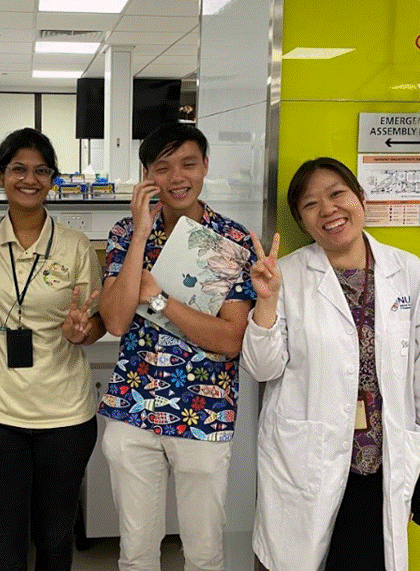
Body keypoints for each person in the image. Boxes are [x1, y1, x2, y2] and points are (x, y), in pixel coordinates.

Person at [242, 157, 420, 571]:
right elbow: (262, 369)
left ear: (361, 198)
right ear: (302, 221)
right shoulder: (287, 276)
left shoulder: (409, 273)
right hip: (307, 460)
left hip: (381, 460)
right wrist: (266, 301)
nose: (329, 210)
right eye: (311, 204)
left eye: (337, 194)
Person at [98, 122, 257, 571]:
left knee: (204, 554)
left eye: (189, 163)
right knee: (136, 553)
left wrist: (160, 300)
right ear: (146, 174)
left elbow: (230, 340)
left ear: (206, 165)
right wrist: (141, 235)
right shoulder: (125, 232)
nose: (177, 176)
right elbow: (113, 318)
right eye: (162, 167)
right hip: (133, 408)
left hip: (205, 412)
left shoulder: (232, 241)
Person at [0, 127, 105, 571]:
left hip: (65, 414)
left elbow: (96, 321)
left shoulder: (75, 245)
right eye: (19, 169)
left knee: (53, 537)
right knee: (4, 545)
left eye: (41, 171)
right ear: (0, 174)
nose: (30, 179)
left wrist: (83, 331)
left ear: (53, 179)